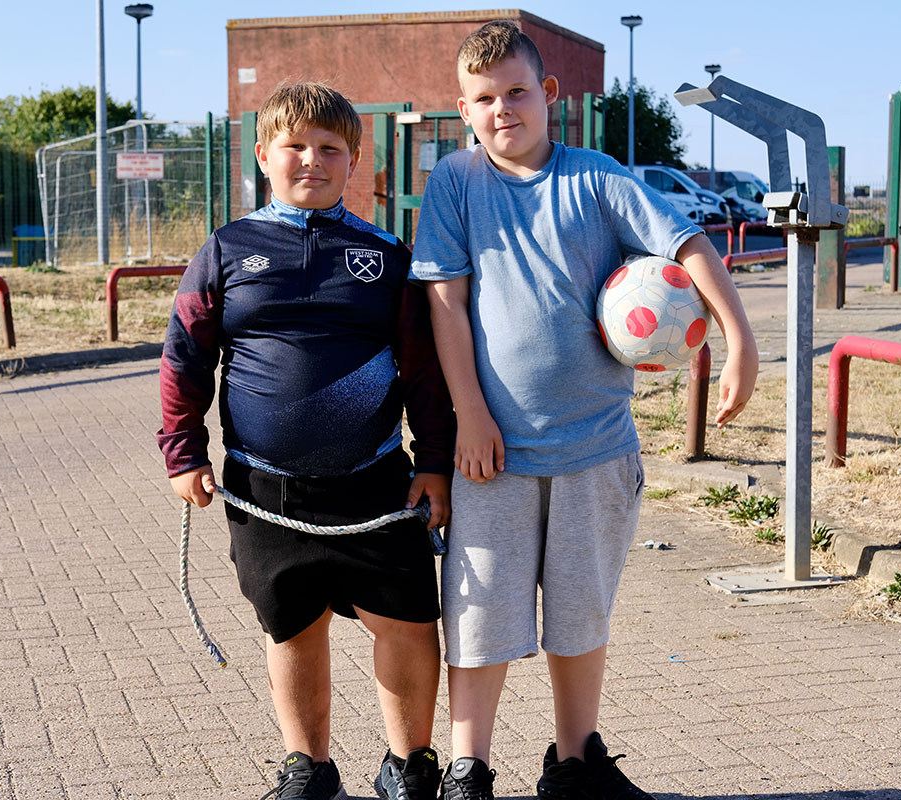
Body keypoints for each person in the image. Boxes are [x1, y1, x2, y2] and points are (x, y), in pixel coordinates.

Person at [410, 21, 758, 800]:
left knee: (580, 617)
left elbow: (689, 243)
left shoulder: (597, 179)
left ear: (550, 95)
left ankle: (574, 763)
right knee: (478, 618)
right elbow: (446, 302)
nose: (504, 109)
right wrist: (470, 410)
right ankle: (470, 769)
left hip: (596, 448)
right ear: (463, 109)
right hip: (491, 454)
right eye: (485, 98)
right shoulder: (457, 184)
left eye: (518, 92)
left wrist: (740, 339)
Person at [157, 82, 456, 800]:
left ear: (356, 162)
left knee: (409, 621)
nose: (311, 160)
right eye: (294, 145)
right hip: (266, 487)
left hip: (377, 484)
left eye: (330, 149)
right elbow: (185, 355)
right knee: (292, 625)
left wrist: (437, 464)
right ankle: (309, 768)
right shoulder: (227, 250)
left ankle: (410, 765)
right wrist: (183, 452)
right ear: (263, 155)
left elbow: (424, 371)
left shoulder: (386, 256)